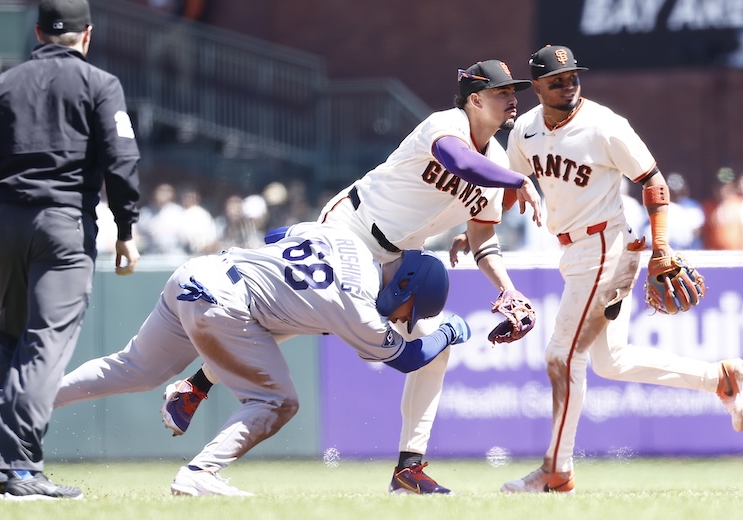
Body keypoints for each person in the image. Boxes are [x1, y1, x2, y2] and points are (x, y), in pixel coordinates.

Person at [162, 59, 544, 494]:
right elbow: (460, 163)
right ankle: (196, 385)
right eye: (501, 91)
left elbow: (483, 240)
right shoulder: (446, 125)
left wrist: (508, 288)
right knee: (299, 317)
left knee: (434, 345)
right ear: (475, 99)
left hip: (400, 253)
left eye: (514, 91)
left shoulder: (497, 164)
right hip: (351, 227)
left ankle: (409, 468)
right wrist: (518, 179)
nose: (513, 98)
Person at [452, 45, 743, 494]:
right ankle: (719, 379)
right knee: (611, 361)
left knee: (561, 357)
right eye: (557, 79)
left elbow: (654, 182)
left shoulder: (605, 124)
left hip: (611, 246)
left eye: (572, 76)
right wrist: (474, 226)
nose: (568, 84)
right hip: (574, 252)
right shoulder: (525, 132)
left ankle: (557, 469)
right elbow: (512, 186)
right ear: (537, 87)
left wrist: (662, 249)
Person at [53, 222, 471, 496]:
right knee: (278, 402)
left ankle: (31, 400)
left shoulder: (345, 239)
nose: (403, 319)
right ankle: (199, 473)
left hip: (198, 273)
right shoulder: (358, 306)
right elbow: (408, 360)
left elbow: (276, 234)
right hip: (227, 303)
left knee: (133, 369)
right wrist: (450, 331)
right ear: (406, 285)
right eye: (410, 310)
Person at [0, 0, 141, 501]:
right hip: (61, 227)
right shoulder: (100, 84)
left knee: (11, 340)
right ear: (88, 35)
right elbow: (122, 160)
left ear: (37, 33)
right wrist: (126, 228)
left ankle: (0, 464)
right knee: (43, 344)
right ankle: (20, 468)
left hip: (2, 222)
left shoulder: (4, 83)